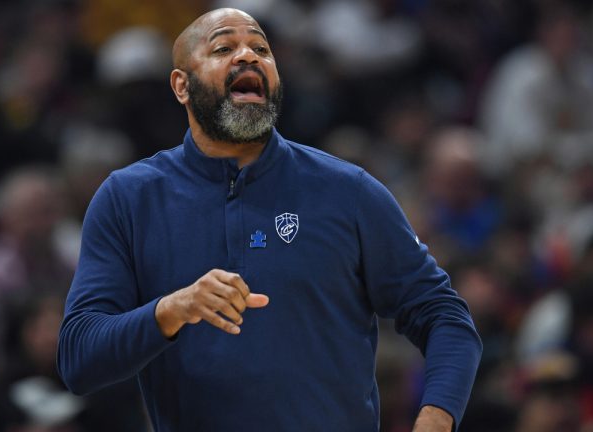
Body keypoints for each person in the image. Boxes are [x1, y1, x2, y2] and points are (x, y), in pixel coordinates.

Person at [58, 8, 481, 431]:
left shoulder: (348, 191)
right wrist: (171, 310)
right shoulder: (129, 199)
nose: (248, 56)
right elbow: (79, 358)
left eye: (261, 49)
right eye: (223, 48)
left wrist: (437, 418)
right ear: (182, 86)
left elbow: (444, 316)